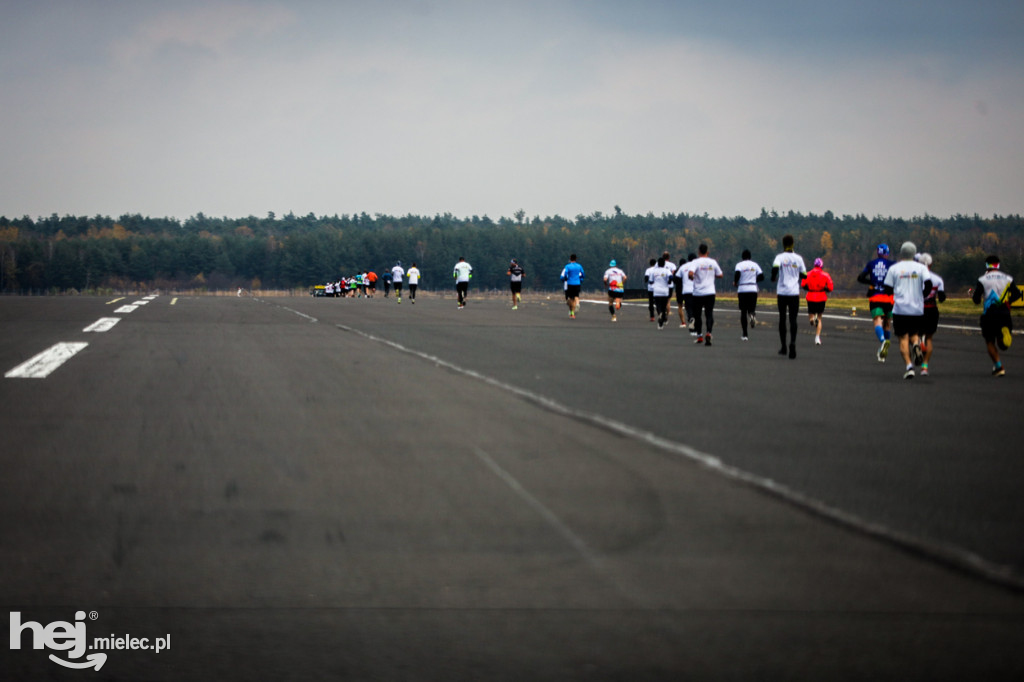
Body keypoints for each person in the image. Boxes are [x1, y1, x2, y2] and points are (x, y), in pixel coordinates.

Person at [882, 242, 932, 379]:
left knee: (903, 338)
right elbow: (928, 285)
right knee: (914, 334)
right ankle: (916, 345)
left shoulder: (894, 268)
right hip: (917, 308)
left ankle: (909, 366)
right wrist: (921, 296)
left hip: (900, 308)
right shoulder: (922, 268)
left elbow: (887, 289)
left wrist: (897, 291)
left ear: (901, 253)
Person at [972, 254, 1022, 377]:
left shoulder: (982, 279)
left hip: (989, 314)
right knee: (1002, 344)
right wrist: (1008, 301)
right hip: (1004, 312)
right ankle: (1003, 336)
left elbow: (976, 298)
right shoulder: (1008, 278)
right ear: (998, 265)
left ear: (987, 265)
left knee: (989, 341)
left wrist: (977, 300)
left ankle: (999, 366)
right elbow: (1017, 294)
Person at [858, 244, 896, 362]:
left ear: (877, 252)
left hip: (876, 297)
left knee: (877, 321)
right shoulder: (892, 264)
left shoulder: (871, 264)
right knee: (887, 324)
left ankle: (883, 341)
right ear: (887, 253)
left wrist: (872, 282)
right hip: (889, 298)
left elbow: (860, 278)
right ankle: (883, 352)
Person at [772, 234, 807, 359]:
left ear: (783, 244)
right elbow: (804, 275)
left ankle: (783, 346)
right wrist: (795, 274)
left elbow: (775, 267)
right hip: (794, 293)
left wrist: (773, 277)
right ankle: (793, 342)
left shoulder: (779, 257)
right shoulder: (798, 258)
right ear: (793, 244)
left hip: (782, 292)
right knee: (793, 319)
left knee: (782, 319)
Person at [688, 243, 723, 346]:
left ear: (699, 252)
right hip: (710, 292)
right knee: (709, 313)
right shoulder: (713, 262)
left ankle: (699, 336)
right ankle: (708, 333)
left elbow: (690, 274)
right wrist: (712, 276)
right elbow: (720, 274)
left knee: (697, 315)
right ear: (707, 252)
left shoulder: (695, 262)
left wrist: (693, 278)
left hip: (698, 293)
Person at [918, 253, 945, 376]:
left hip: (918, 309)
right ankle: (925, 366)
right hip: (932, 309)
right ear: (931, 264)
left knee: (914, 334)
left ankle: (919, 342)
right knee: (930, 338)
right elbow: (942, 298)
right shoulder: (937, 279)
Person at [803, 257, 834, 346]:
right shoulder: (825, 275)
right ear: (821, 265)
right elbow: (830, 288)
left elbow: (803, 284)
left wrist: (809, 288)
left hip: (811, 296)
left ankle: (812, 319)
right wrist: (824, 288)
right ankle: (817, 337)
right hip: (821, 297)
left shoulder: (808, 274)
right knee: (820, 318)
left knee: (811, 313)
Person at [733, 249, 763, 341]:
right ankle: (752, 315)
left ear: (742, 257)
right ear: (750, 257)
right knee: (751, 308)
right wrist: (754, 280)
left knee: (743, 312)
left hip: (742, 289)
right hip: (753, 289)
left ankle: (745, 334)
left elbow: (737, 274)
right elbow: (762, 276)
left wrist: (735, 282)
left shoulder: (739, 265)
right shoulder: (755, 265)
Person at [648, 256, 674, 329]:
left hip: (656, 291)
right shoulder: (667, 270)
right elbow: (671, 277)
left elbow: (650, 281)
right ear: (664, 264)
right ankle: (663, 316)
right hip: (665, 291)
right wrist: (669, 281)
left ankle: (660, 315)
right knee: (664, 305)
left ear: (658, 264)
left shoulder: (654, 271)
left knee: (658, 305)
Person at [676, 253, 697, 332]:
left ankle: (690, 318)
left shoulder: (683, 267)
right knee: (696, 307)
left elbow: (677, 278)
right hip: (696, 290)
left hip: (686, 290)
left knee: (688, 307)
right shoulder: (697, 266)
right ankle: (695, 319)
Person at [561, 254, 585, 319]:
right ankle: (577, 304)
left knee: (571, 298)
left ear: (570, 259)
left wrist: (565, 279)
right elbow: (583, 273)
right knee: (576, 296)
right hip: (577, 283)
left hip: (570, 283)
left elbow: (565, 274)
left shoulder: (567, 266)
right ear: (576, 259)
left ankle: (572, 312)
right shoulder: (579, 266)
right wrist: (581, 279)